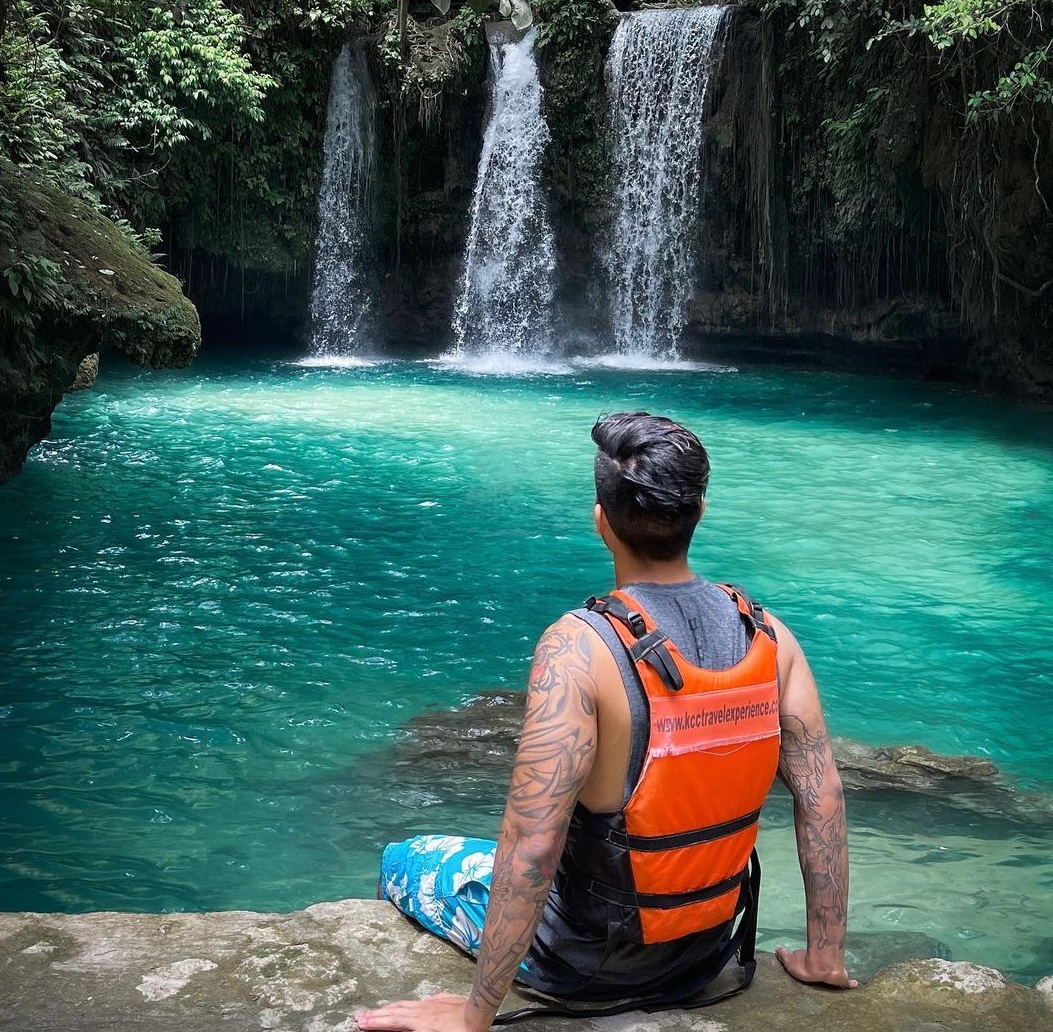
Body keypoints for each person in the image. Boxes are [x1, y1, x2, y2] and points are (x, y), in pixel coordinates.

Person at [356, 412, 857, 1032]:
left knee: (406, 858)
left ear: (601, 521)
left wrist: (473, 1014)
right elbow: (822, 795)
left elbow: (534, 844)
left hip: (585, 964)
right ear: (698, 511)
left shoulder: (579, 648)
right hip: (705, 954)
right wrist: (824, 954)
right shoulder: (768, 636)